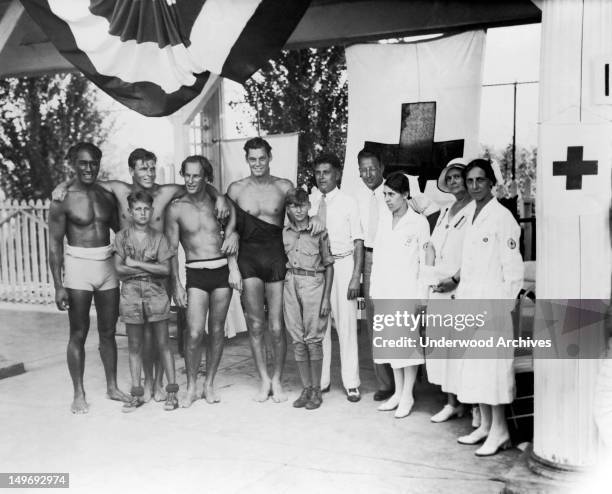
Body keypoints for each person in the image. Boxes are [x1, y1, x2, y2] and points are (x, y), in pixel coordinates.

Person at [53, 148, 233, 402]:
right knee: (140, 333)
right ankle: (146, 383)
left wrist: (220, 198)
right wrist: (63, 183)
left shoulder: (166, 192)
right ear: (131, 171)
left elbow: (198, 184)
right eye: (142, 168)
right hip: (130, 275)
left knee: (160, 333)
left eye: (151, 168)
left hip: (159, 272)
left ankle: (158, 383)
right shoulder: (118, 189)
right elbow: (86, 177)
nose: (148, 173)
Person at [227, 137, 324, 402]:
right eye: (252, 159)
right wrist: (232, 266)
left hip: (275, 257)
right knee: (256, 325)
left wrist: (315, 216)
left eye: (262, 158)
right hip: (248, 258)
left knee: (277, 327)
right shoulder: (236, 189)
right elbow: (227, 229)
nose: (257, 163)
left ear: (270, 157)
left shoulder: (284, 186)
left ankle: (278, 380)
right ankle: (264, 380)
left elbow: (301, 211)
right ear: (246, 160)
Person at [443, 159, 523, 456]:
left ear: (491, 182)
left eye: (480, 180)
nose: (475, 186)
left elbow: (513, 271)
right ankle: (486, 425)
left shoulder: (503, 218)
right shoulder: (471, 215)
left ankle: (501, 430)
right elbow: (468, 264)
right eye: (471, 181)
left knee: (493, 370)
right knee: (476, 368)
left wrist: (501, 308)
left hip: (493, 305)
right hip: (470, 301)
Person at [48, 142, 130, 413]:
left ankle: (112, 386)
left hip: (106, 267)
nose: (88, 168)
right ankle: (78, 393)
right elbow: (54, 244)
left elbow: (121, 231)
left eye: (93, 163)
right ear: (73, 164)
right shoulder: (62, 198)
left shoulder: (106, 194)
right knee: (78, 333)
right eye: (83, 163)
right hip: (78, 269)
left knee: (108, 332)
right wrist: (59, 286)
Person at [165, 156, 241, 407]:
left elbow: (233, 220)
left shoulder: (218, 202)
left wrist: (233, 235)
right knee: (195, 332)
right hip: (195, 273)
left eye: (196, 175)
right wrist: (176, 283)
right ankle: (191, 387)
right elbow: (172, 250)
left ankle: (209, 384)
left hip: (220, 271)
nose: (190, 180)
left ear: (205, 177)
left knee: (217, 330)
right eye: (187, 174)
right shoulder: (176, 208)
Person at [370, 172, 430, 418]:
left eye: (392, 194)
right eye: (385, 194)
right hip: (385, 290)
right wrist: (374, 290)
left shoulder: (419, 223)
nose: (387, 199)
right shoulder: (384, 221)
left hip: (408, 292)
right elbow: (378, 258)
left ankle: (408, 395)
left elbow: (425, 263)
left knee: (408, 345)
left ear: (406, 195)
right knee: (392, 345)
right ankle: (397, 392)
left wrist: (421, 298)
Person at [113, 190, 178, 411]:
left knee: (163, 344)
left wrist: (136, 263)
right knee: (134, 346)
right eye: (137, 209)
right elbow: (119, 270)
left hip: (156, 293)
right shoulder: (121, 237)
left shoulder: (159, 238)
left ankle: (171, 392)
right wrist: (147, 269)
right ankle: (137, 394)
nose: (142, 213)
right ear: (130, 212)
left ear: (151, 211)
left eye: (146, 209)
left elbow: (165, 269)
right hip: (131, 295)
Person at [422, 158, 474, 423]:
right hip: (439, 286)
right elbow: (431, 245)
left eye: (459, 177)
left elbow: (475, 253)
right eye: (450, 178)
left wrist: (456, 278)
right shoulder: (446, 210)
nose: (454, 181)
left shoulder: (477, 209)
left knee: (462, 347)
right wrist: (431, 276)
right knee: (441, 346)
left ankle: (471, 404)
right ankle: (451, 401)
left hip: (460, 287)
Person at [309, 153, 364, 402]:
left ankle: (351, 382)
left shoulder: (348, 202)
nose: (322, 177)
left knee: (346, 325)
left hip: (342, 263)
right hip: (318, 269)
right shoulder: (310, 202)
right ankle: (322, 381)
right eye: (318, 172)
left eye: (327, 172)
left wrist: (355, 277)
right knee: (320, 326)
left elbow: (359, 242)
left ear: (337, 174)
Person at [283, 188, 334, 410]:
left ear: (309, 206)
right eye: (294, 205)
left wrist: (326, 299)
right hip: (291, 283)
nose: (299, 209)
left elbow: (329, 265)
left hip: (314, 283)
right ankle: (305, 388)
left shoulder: (319, 231)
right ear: (288, 209)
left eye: (303, 204)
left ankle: (316, 390)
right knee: (298, 339)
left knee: (313, 340)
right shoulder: (284, 233)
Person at [355, 149, 395, 402]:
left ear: (381, 167)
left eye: (372, 168)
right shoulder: (357, 197)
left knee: (397, 316)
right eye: (363, 169)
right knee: (374, 321)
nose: (368, 174)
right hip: (369, 258)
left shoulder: (394, 192)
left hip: (392, 259)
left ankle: (405, 380)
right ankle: (385, 383)